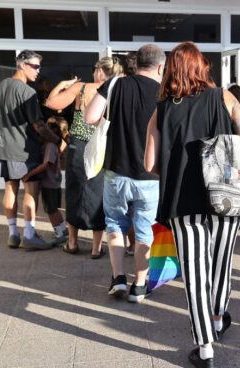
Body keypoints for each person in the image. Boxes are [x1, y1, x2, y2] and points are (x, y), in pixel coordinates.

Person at [144, 41, 240, 368]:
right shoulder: (224, 97)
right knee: (221, 261)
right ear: (202, 68)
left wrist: (176, 159)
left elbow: (149, 162)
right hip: (226, 195)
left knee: (195, 272)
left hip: (184, 200)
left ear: (171, 71)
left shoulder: (162, 109)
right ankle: (219, 316)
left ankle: (205, 348)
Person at [84, 44, 165, 302]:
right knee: (144, 231)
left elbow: (90, 117)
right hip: (150, 174)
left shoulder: (116, 84)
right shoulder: (165, 93)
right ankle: (139, 285)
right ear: (161, 67)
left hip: (116, 170)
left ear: (136, 63)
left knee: (115, 224)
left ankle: (118, 277)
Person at [45, 56, 124, 258]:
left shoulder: (81, 88)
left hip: (78, 146)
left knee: (74, 192)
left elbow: (51, 102)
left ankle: (72, 242)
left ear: (99, 71)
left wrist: (62, 85)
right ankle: (96, 248)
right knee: (98, 195)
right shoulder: (116, 91)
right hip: (102, 147)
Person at [0, 50, 63, 250]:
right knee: (31, 190)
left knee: (10, 189)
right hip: (23, 149)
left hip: (1, 147)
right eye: (35, 66)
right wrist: (57, 140)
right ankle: (29, 234)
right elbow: (38, 124)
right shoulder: (26, 91)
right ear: (22, 65)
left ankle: (13, 234)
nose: (38, 71)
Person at [21, 118, 67, 244]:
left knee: (51, 209)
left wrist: (29, 174)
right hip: (53, 182)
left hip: (49, 183)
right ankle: (62, 230)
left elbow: (46, 164)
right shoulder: (51, 145)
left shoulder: (50, 146)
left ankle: (59, 233)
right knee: (54, 209)